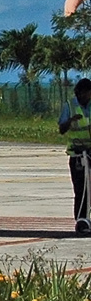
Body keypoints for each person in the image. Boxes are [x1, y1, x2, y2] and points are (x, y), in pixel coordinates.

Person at [58, 78, 91, 234]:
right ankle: (81, 221)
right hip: (77, 154)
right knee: (81, 189)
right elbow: (62, 129)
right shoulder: (70, 106)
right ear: (80, 92)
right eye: (87, 93)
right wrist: (70, 121)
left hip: (90, 152)